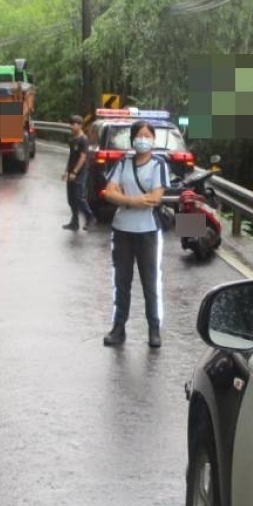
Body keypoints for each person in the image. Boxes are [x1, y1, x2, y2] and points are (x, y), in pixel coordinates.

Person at [101, 120, 170, 348]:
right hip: (122, 231)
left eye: (147, 135)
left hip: (147, 232)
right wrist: (133, 200)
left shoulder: (159, 165)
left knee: (150, 282)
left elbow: (155, 198)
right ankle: (118, 328)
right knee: (122, 282)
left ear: (153, 139)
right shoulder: (123, 163)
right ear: (132, 139)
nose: (143, 139)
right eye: (139, 135)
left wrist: (123, 198)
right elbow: (109, 193)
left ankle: (154, 328)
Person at [62, 114, 95, 231]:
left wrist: (75, 172)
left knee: (79, 196)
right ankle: (74, 221)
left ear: (80, 125)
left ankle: (90, 217)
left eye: (75, 124)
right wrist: (66, 171)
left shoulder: (83, 140)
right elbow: (71, 156)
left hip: (80, 172)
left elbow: (82, 157)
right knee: (71, 198)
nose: (72, 126)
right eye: (71, 124)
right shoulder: (72, 139)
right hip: (71, 171)